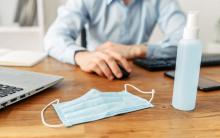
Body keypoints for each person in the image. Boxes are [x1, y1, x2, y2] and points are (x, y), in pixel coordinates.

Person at [44, 0, 186, 80]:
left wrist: (135, 50)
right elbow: (53, 37)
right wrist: (81, 55)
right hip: (95, 72)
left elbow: (186, 41)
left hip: (139, 76)